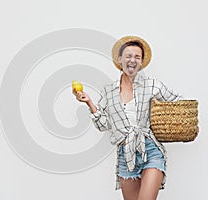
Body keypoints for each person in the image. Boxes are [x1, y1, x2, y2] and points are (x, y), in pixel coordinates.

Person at [72, 36, 195, 200]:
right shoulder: (109, 91)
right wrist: (89, 103)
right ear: (120, 59)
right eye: (128, 56)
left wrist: (187, 122)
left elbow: (179, 103)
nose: (132, 60)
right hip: (125, 154)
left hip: (150, 150)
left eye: (137, 57)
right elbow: (103, 125)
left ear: (142, 62)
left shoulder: (152, 85)